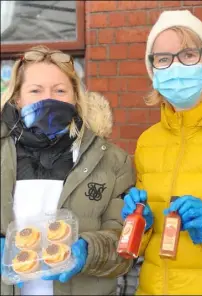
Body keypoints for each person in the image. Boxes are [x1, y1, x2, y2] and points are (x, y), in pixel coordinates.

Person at [0, 45, 135, 296]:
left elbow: (126, 246)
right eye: (35, 90)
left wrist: (89, 251)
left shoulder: (111, 161)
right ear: (17, 98)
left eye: (60, 90)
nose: (48, 99)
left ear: (75, 96)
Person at [121, 10, 202, 295]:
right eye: (163, 59)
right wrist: (141, 223)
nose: (175, 67)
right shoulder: (148, 141)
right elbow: (145, 244)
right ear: (153, 71)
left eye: (187, 55)